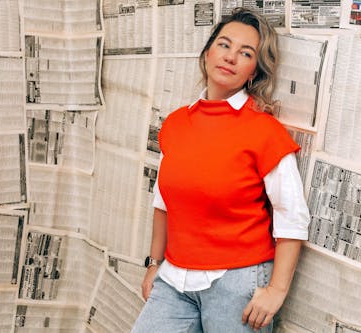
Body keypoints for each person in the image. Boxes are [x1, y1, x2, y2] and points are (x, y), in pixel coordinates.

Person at [131, 8, 310, 333]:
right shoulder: (175, 124)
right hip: (173, 278)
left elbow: (292, 216)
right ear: (207, 53)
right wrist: (153, 264)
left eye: (245, 53)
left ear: (254, 71)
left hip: (237, 283)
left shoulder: (265, 131)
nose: (230, 57)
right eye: (224, 45)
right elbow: (163, 202)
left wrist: (276, 291)